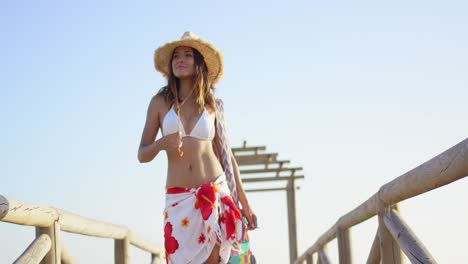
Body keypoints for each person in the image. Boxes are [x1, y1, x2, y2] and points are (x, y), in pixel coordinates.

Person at [138, 31, 257, 264]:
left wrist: (245, 203)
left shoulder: (214, 104)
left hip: (215, 191)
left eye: (187, 55)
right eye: (176, 56)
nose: (180, 60)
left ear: (198, 62)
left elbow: (226, 155)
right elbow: (142, 153)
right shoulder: (159, 103)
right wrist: (163, 143)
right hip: (178, 199)